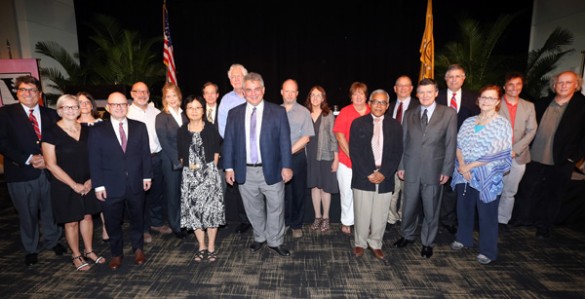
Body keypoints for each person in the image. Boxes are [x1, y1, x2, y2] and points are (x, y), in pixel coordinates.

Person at [223, 72, 293, 257]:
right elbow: (228, 142)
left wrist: (286, 166)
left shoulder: (277, 112)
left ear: (263, 90)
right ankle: (260, 236)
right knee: (252, 208)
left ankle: (275, 240)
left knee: (276, 207)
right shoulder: (234, 114)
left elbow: (285, 141)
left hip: (272, 169)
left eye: (257, 89)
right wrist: (228, 168)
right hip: (244, 171)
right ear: (244, 92)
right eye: (249, 90)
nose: (253, 93)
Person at [0, 75, 66, 266]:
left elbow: (59, 140)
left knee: (50, 210)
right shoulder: (5, 114)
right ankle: (31, 247)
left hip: (48, 172)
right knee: (27, 214)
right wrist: (28, 159)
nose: (28, 93)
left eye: (32, 90)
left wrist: (47, 160)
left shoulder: (51, 114)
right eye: (23, 90)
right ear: (17, 92)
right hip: (20, 173)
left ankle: (53, 241)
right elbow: (2, 142)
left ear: (39, 94)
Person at [512, 71, 585, 238]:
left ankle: (544, 226)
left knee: (553, 194)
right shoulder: (541, 103)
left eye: (568, 82)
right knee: (527, 189)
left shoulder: (582, 106)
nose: (563, 85)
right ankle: (521, 218)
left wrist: (574, 158)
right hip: (534, 156)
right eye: (560, 82)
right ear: (554, 85)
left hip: (562, 160)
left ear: (576, 85)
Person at [393, 78, 458, 259]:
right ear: (417, 94)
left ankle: (428, 242)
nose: (425, 96)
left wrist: (447, 170)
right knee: (408, 207)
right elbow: (403, 143)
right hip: (411, 169)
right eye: (421, 92)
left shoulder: (448, 114)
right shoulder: (409, 114)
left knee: (431, 209)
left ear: (436, 93)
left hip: (434, 171)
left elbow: (451, 144)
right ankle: (407, 234)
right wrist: (401, 166)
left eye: (429, 92)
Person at [88, 92, 152, 270]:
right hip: (110, 185)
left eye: (123, 104)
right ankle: (116, 253)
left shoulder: (139, 127)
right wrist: (98, 185)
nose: (119, 107)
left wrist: (147, 176)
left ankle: (138, 249)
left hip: (136, 182)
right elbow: (94, 160)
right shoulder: (97, 130)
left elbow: (145, 154)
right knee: (112, 221)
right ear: (107, 107)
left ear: (127, 106)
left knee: (138, 218)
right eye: (115, 104)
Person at [450, 85, 512, 265]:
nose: (486, 101)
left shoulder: (502, 124)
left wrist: (471, 166)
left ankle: (488, 250)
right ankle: (463, 238)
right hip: (464, 174)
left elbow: (499, 152)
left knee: (487, 215)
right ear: (478, 99)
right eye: (483, 97)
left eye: (491, 98)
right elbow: (459, 145)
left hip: (487, 177)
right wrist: (462, 165)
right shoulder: (469, 121)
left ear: (498, 102)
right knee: (464, 209)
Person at [42, 94, 104, 271]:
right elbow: (50, 165)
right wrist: (74, 185)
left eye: (75, 107)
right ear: (59, 110)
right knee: (71, 221)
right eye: (67, 107)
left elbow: (95, 157)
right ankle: (76, 255)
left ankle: (89, 250)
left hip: (87, 182)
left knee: (87, 216)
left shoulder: (87, 130)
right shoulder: (51, 132)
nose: (72, 110)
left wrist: (91, 181)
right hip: (64, 184)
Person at [349, 89, 403, 260]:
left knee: (380, 213)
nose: (378, 105)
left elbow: (397, 152)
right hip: (363, 174)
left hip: (385, 175)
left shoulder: (395, 125)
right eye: (375, 101)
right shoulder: (358, 123)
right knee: (362, 211)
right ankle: (360, 243)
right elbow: (355, 151)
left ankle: (375, 243)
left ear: (387, 106)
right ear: (369, 103)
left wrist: (384, 173)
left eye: (382, 102)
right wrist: (368, 173)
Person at [178, 96, 225, 262]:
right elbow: (182, 158)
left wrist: (209, 174)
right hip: (190, 177)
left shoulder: (211, 129)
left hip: (209, 175)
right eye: (190, 107)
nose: (194, 111)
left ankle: (211, 246)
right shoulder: (182, 130)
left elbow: (216, 154)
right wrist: (192, 174)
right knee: (194, 213)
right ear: (186, 111)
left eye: (198, 107)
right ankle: (201, 246)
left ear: (203, 111)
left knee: (211, 213)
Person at [436, 64, 479, 234]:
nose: (454, 79)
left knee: (453, 188)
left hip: (463, 151)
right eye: (450, 77)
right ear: (445, 79)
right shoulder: (436, 97)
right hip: (438, 149)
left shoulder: (473, 98)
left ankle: (448, 220)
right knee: (437, 184)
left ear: (463, 78)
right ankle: (432, 218)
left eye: (457, 76)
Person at [128, 82, 171, 243]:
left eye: (145, 91)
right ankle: (143, 228)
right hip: (137, 160)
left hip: (157, 157)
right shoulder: (127, 113)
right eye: (138, 91)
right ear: (132, 94)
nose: (142, 94)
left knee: (157, 193)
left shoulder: (157, 112)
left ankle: (157, 223)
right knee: (140, 196)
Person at [496, 73, 537, 231]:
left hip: (519, 156)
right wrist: (502, 149)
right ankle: (488, 218)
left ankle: (502, 220)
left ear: (522, 86)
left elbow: (532, 130)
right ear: (505, 87)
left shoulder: (529, 106)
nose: (514, 88)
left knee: (510, 190)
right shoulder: (495, 103)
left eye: (518, 84)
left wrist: (515, 150)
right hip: (497, 154)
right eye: (510, 84)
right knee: (493, 188)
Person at [217, 64, 252, 234]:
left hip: (255, 149)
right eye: (233, 77)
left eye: (239, 76)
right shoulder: (225, 100)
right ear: (230, 81)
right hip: (236, 149)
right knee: (240, 186)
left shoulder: (253, 94)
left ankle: (260, 219)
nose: (237, 79)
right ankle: (245, 220)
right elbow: (222, 128)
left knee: (258, 184)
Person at [333, 82, 371, 236]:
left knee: (366, 195)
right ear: (351, 96)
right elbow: (339, 136)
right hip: (346, 161)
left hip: (369, 163)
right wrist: (354, 157)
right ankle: (347, 221)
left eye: (361, 93)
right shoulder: (345, 111)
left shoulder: (372, 111)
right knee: (347, 193)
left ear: (366, 96)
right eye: (355, 94)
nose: (358, 96)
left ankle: (364, 222)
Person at [281, 79, 314, 238]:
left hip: (297, 158)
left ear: (297, 93)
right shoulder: (274, 111)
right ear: (281, 92)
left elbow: (306, 138)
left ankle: (296, 224)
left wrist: (286, 152)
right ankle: (284, 222)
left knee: (298, 192)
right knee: (281, 193)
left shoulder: (304, 112)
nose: (289, 94)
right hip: (278, 159)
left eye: (293, 91)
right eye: (286, 91)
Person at [385, 75, 419, 233]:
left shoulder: (419, 106)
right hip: (391, 156)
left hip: (410, 157)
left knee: (408, 191)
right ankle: (391, 218)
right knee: (391, 190)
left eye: (407, 86)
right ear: (395, 88)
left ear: (412, 88)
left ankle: (404, 217)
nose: (403, 88)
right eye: (400, 85)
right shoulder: (388, 107)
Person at [155, 83, 189, 239]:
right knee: (173, 194)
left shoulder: (185, 114)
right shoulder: (161, 117)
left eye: (174, 95)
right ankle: (176, 225)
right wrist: (178, 161)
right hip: (171, 162)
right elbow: (164, 142)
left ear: (179, 96)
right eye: (168, 96)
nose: (172, 99)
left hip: (188, 161)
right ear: (164, 99)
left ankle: (185, 222)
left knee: (185, 194)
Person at [305, 86, 339, 233]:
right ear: (309, 97)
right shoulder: (305, 114)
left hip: (325, 157)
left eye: (319, 95)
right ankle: (317, 217)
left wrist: (336, 159)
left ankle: (326, 218)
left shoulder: (328, 115)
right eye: (313, 95)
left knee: (325, 188)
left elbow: (334, 139)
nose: (315, 98)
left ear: (323, 98)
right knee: (314, 187)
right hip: (310, 156)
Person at [76, 91, 109, 243]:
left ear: (92, 105)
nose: (84, 105)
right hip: (81, 168)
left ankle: (106, 226)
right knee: (86, 207)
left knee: (104, 198)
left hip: (102, 166)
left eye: (87, 102)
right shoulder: (72, 125)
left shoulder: (102, 124)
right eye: (80, 102)